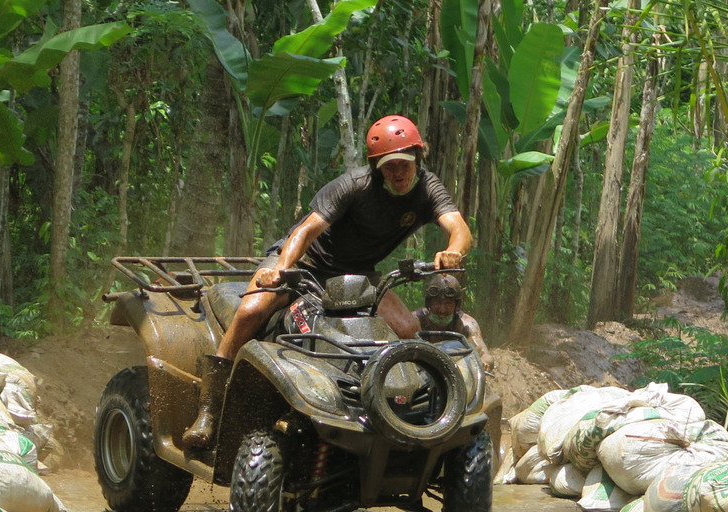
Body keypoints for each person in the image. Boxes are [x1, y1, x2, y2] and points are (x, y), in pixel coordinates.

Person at [183, 114, 473, 449]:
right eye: (390, 166)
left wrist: (454, 251)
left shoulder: (428, 188)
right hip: (305, 263)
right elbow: (305, 231)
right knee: (251, 311)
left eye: (405, 164)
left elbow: (460, 228)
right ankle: (209, 410)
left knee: (408, 329)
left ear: (417, 159)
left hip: (358, 273)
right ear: (377, 167)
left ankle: (410, 415)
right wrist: (281, 269)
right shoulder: (354, 185)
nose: (399, 173)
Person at [413, 273, 495, 372]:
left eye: (448, 304)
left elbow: (484, 353)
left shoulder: (466, 324)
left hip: (457, 372)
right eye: (437, 303)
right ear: (429, 303)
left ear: (456, 305)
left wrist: (484, 362)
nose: (442, 310)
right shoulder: (415, 321)